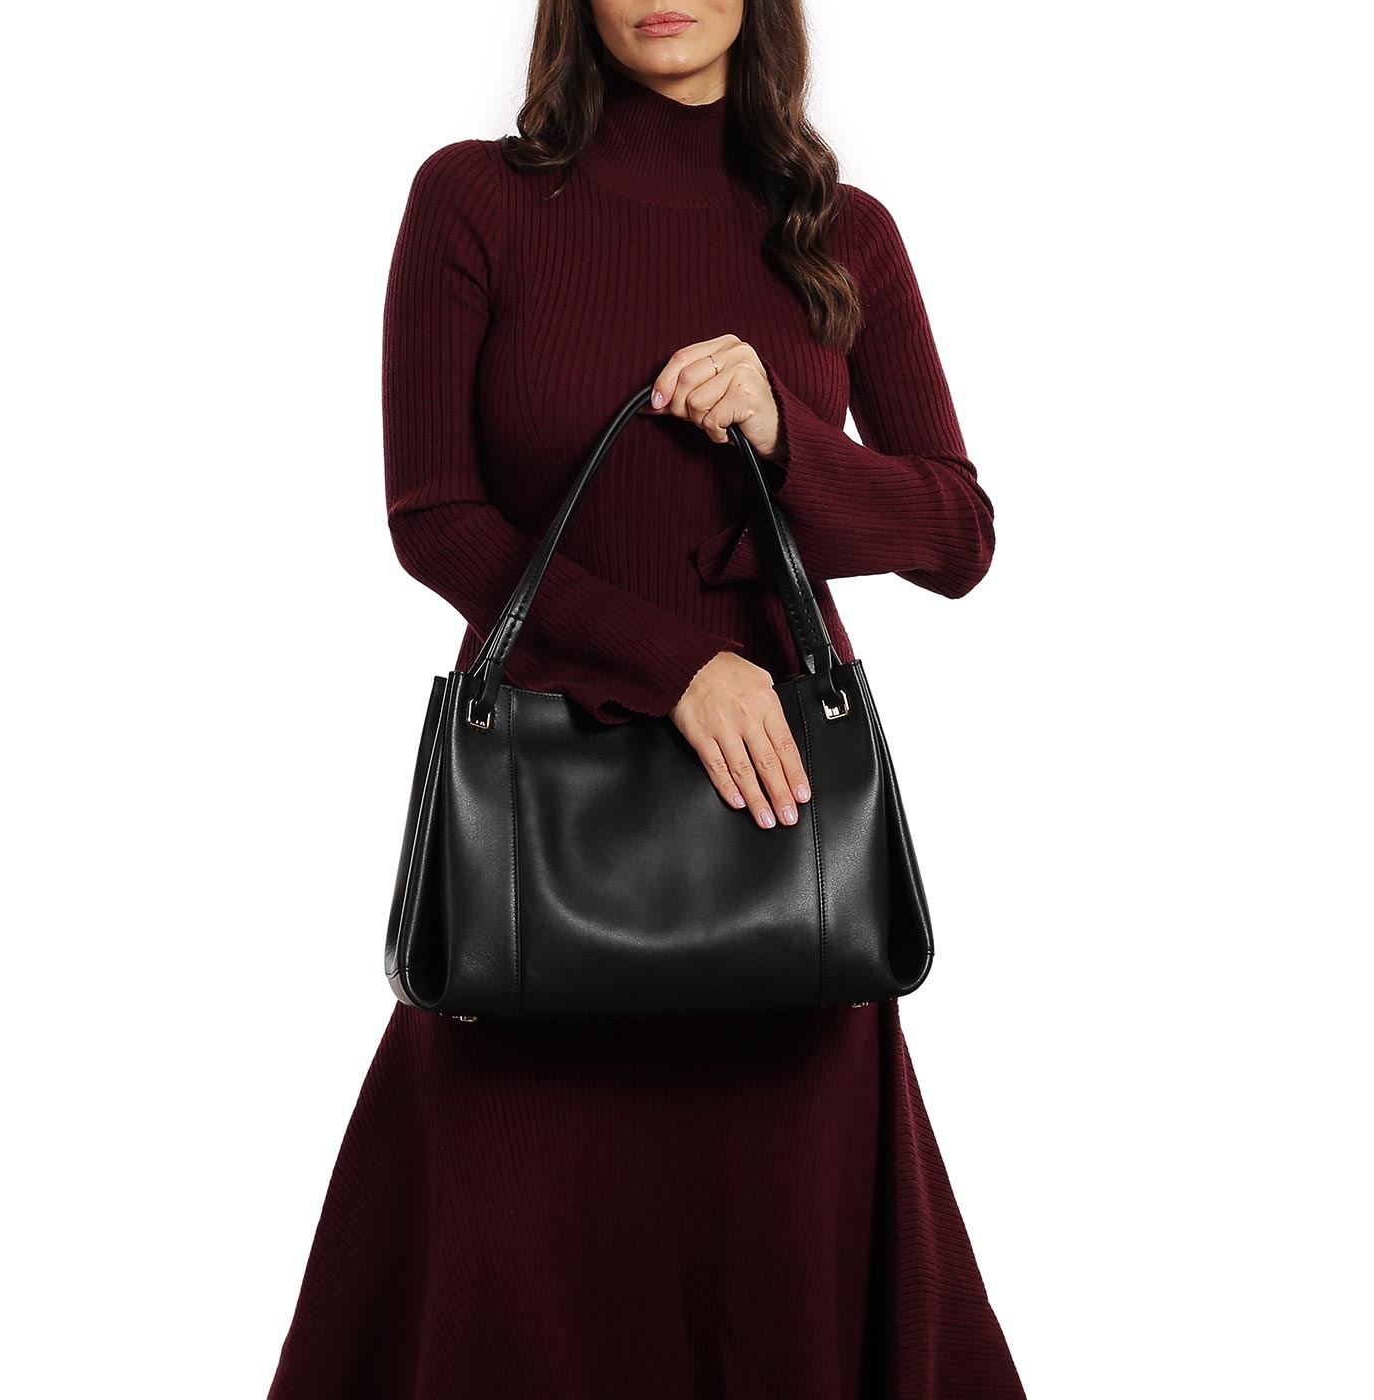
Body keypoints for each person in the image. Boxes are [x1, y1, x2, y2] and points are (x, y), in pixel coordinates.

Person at [266, 3, 1027, 1396]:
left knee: (776, 1291)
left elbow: (957, 535)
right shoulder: (474, 202)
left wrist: (786, 441)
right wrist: (678, 669)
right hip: (538, 850)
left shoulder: (841, 235)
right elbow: (436, 517)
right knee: (505, 1275)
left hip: (776, 849)